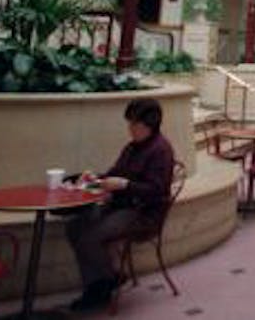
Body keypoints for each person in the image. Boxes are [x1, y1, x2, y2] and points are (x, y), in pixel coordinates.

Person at [64, 98, 175, 313]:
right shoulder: (133, 147)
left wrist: (125, 185)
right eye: (130, 123)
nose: (130, 128)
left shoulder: (160, 151)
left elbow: (157, 191)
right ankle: (106, 279)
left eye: (134, 124)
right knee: (73, 227)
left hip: (143, 212)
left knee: (90, 237)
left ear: (148, 125)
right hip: (122, 205)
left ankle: (99, 288)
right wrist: (94, 178)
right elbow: (116, 173)